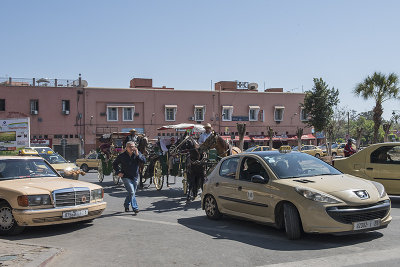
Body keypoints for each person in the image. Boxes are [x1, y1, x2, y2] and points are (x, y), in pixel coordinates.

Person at [113, 141, 146, 213]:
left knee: (132, 193)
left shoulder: (137, 154)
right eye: (130, 147)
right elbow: (115, 164)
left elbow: (144, 161)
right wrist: (118, 172)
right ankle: (135, 207)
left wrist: (138, 155)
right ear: (126, 147)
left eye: (133, 146)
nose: (132, 148)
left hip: (135, 176)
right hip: (125, 176)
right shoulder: (122, 156)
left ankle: (126, 204)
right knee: (131, 192)